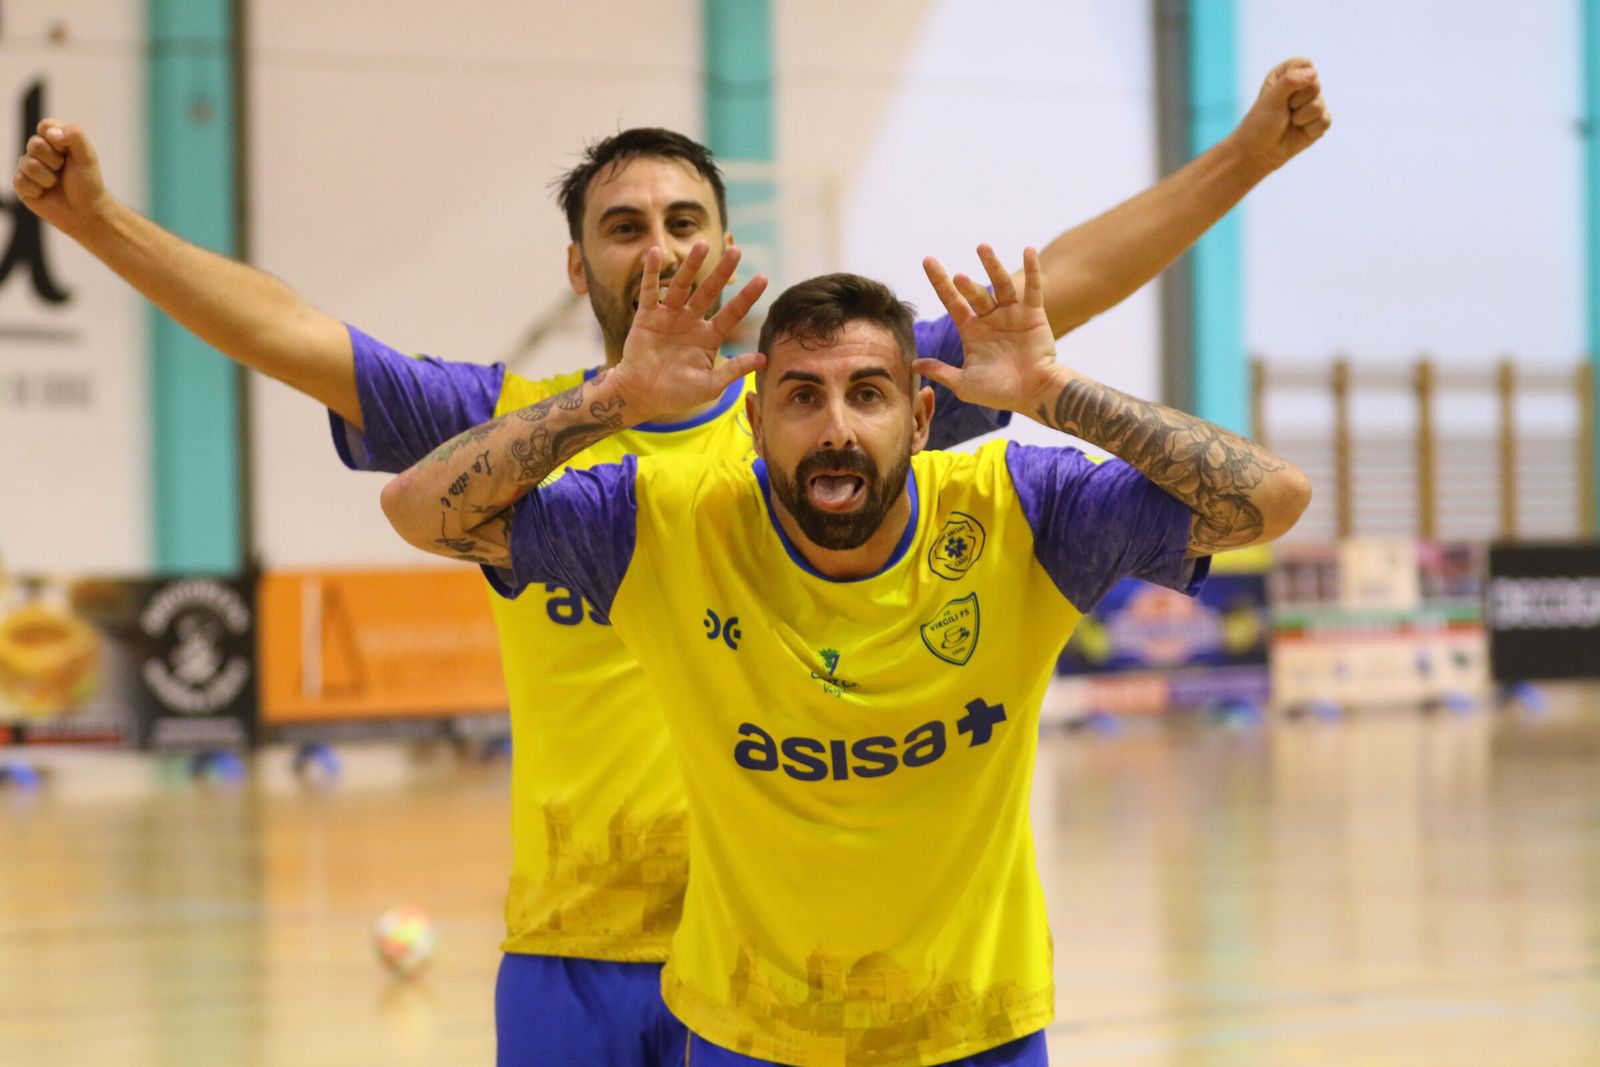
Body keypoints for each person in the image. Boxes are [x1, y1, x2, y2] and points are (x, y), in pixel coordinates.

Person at [11, 59, 1329, 1066]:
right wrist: (102, 222)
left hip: (787, 964)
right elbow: (292, 331)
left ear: (724, 248)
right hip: (578, 950)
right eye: (623, 224)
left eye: (682, 218)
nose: (656, 245)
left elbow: (1062, 286)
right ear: (576, 260)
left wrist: (1244, 159)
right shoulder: (514, 423)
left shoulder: (829, 409)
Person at [379, 239, 1311, 1065]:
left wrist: (1053, 393)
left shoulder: (1020, 510)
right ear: (752, 425)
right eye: (800, 396)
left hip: (974, 1028)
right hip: (755, 1035)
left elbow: (1270, 499)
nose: (834, 427)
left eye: (867, 394)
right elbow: (421, 511)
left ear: (918, 417)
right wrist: (615, 395)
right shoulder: (664, 525)